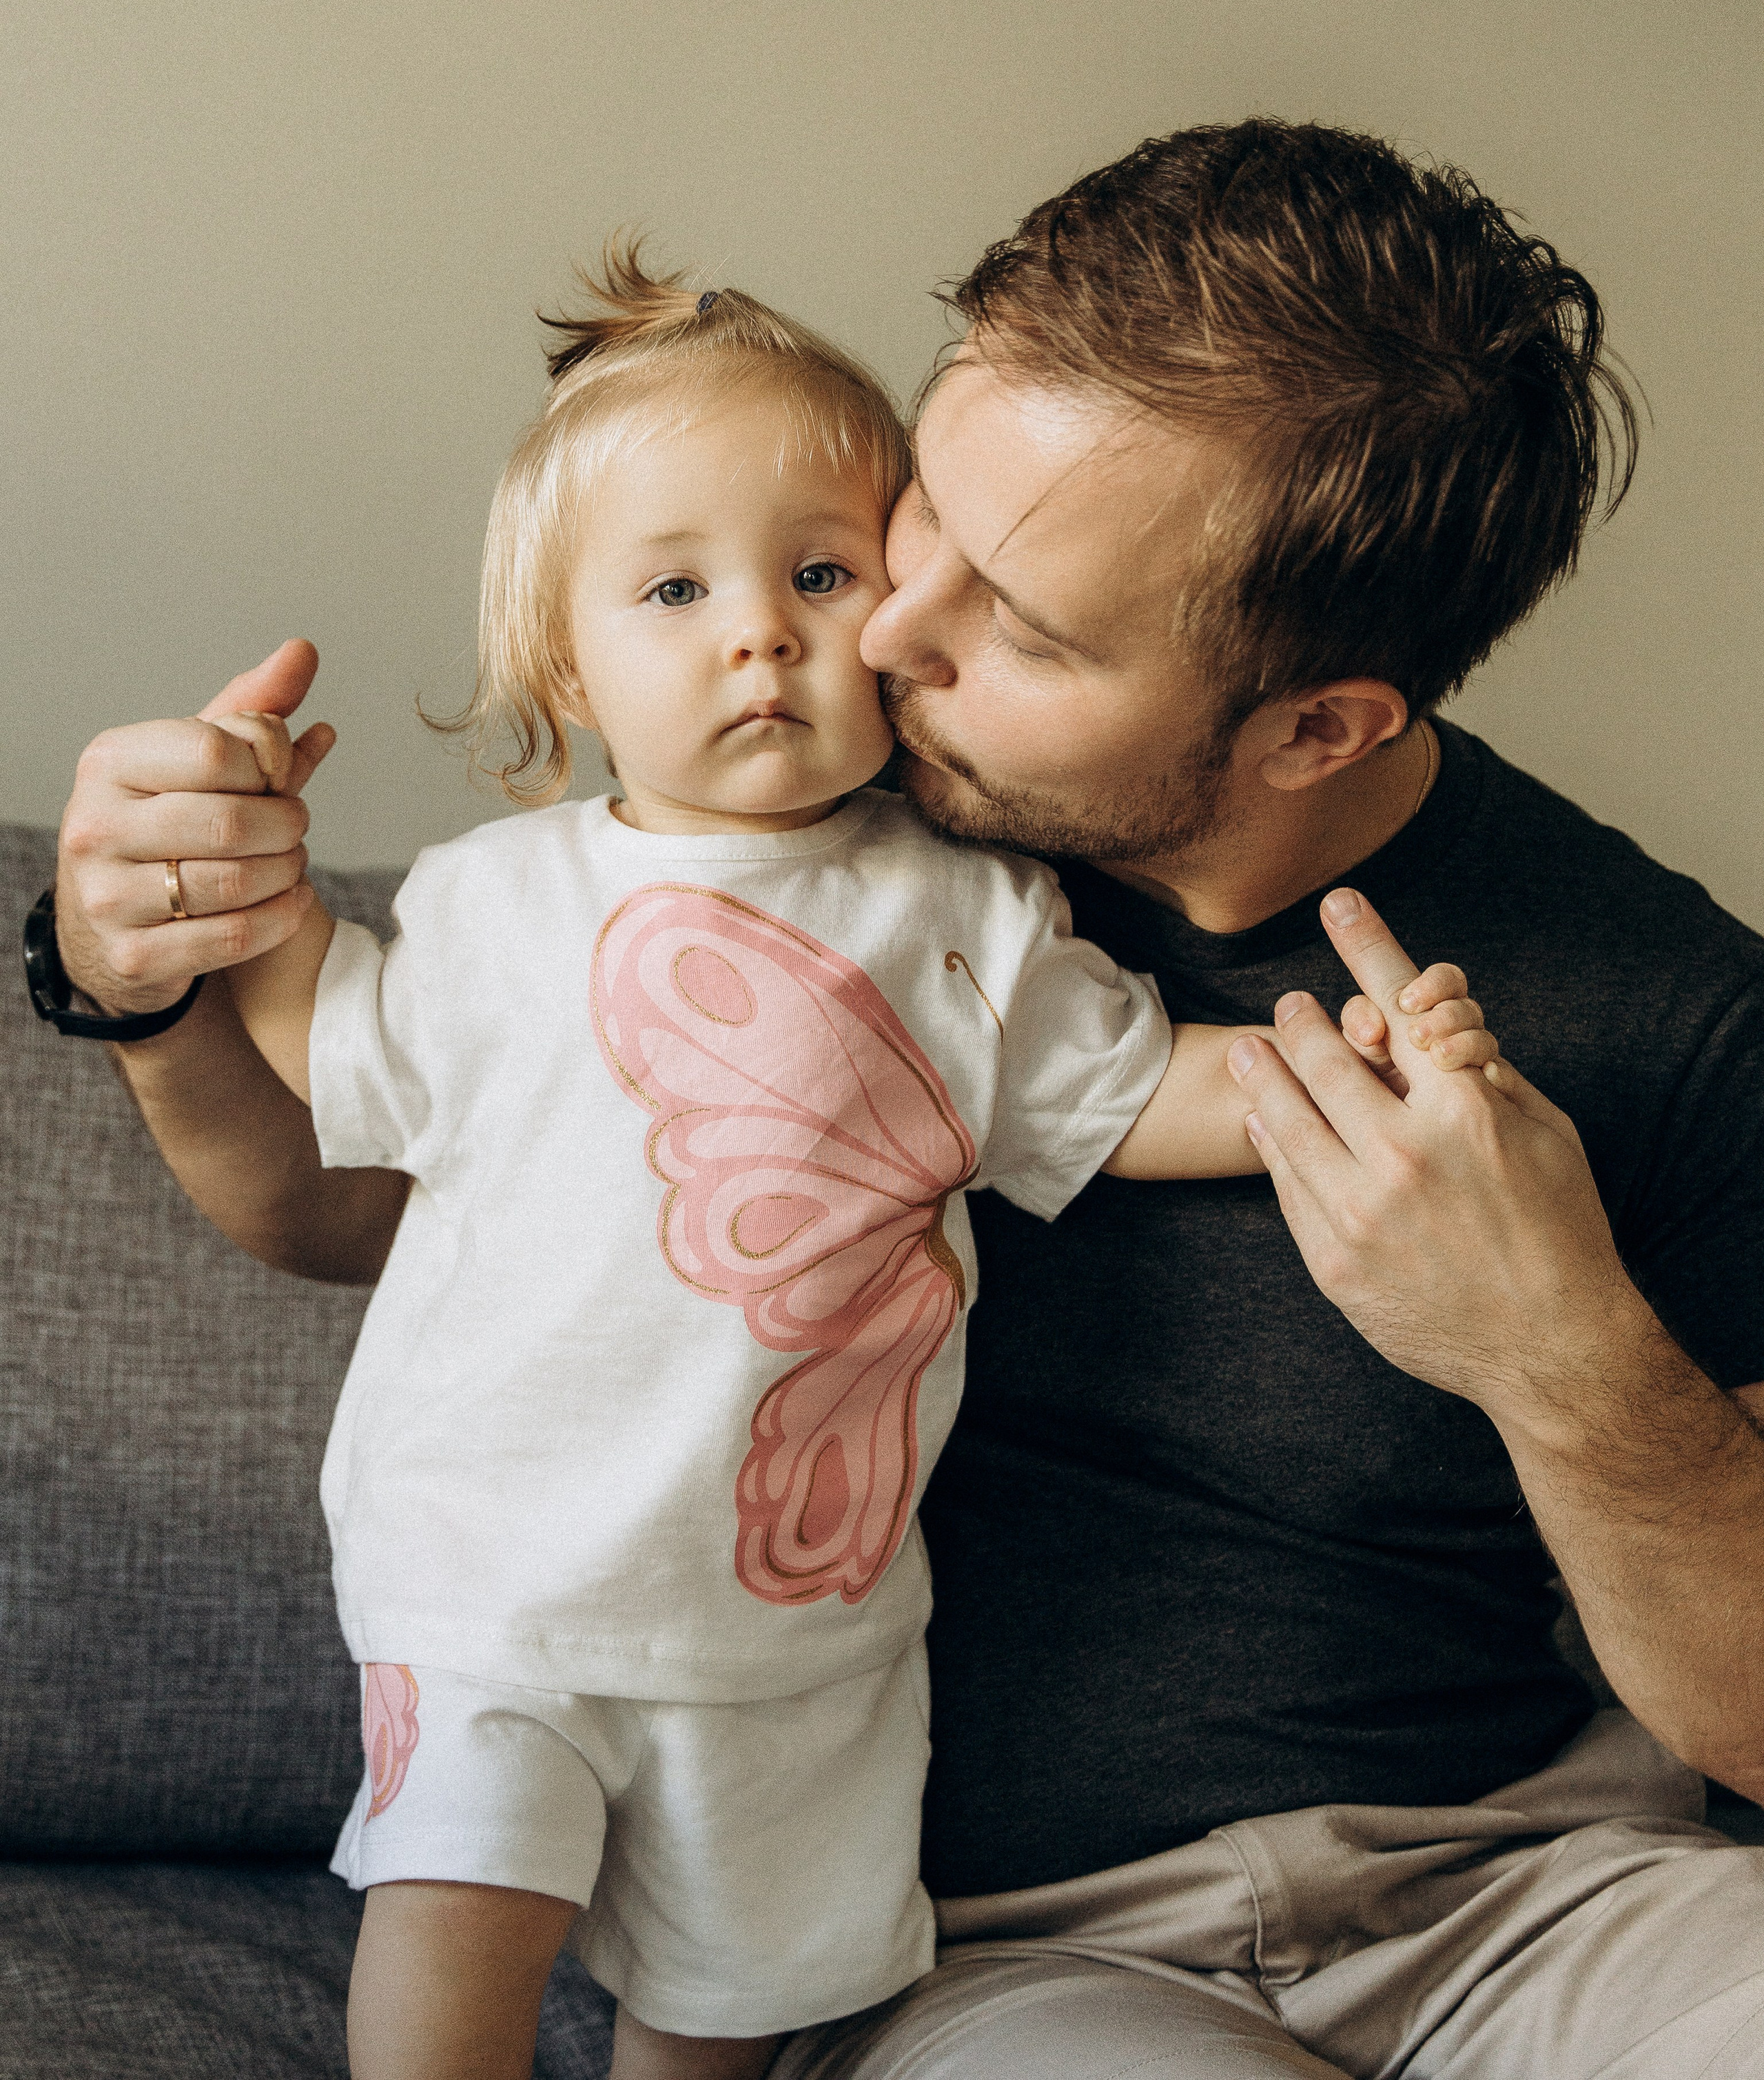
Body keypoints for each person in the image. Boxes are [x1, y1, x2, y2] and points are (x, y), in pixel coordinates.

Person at [44, 121, 1764, 2077]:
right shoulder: (779, 849)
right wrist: (147, 974)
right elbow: (351, 1205)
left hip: (1539, 1900)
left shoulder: (1670, 1011)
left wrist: (1556, 1347)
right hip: (1026, 1960)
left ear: (1320, 725)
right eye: (923, 513)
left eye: (1021, 631)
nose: (879, 627)